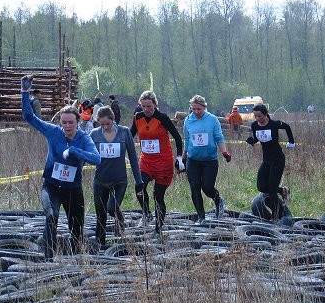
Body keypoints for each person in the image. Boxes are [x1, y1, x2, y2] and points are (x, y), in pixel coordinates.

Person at [21, 75, 101, 259]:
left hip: (73, 189)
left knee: (76, 229)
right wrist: (25, 92)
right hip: (51, 186)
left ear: (77, 122)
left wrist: (76, 152)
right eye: (64, 122)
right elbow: (28, 117)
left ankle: (75, 263)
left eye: (70, 122)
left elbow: (97, 159)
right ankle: (48, 257)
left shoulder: (83, 138)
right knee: (51, 216)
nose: (67, 126)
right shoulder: (53, 132)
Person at [130, 90, 184, 237]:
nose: (146, 110)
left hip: (163, 163)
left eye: (149, 106)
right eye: (143, 106)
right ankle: (146, 213)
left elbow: (178, 138)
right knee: (139, 187)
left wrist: (179, 158)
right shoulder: (138, 117)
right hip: (146, 161)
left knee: (157, 196)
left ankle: (158, 229)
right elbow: (130, 136)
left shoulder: (162, 118)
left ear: (155, 105)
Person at [90, 106, 143, 246]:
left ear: (113, 120)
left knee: (111, 208)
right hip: (100, 180)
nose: (105, 127)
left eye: (108, 124)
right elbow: (86, 154)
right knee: (100, 214)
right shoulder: (94, 134)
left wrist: (139, 180)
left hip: (119, 180)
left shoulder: (124, 133)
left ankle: (120, 219)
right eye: (102, 124)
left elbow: (132, 157)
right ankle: (100, 243)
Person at [183, 95, 231, 223]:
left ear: (205, 107)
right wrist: (183, 156)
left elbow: (219, 138)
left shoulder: (212, 120)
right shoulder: (188, 120)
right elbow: (187, 139)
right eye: (193, 109)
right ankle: (201, 217)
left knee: (207, 187)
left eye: (199, 109)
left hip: (209, 160)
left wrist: (224, 152)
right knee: (194, 187)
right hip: (193, 160)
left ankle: (218, 201)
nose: (196, 112)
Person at [246, 103, 295, 220]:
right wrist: (251, 141)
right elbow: (257, 138)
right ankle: (283, 190)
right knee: (262, 187)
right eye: (256, 116)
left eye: (260, 116)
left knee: (272, 189)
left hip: (278, 159)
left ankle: (277, 216)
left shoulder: (274, 124)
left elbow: (287, 127)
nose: (258, 119)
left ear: (266, 114)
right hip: (266, 160)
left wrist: (291, 142)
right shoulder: (254, 125)